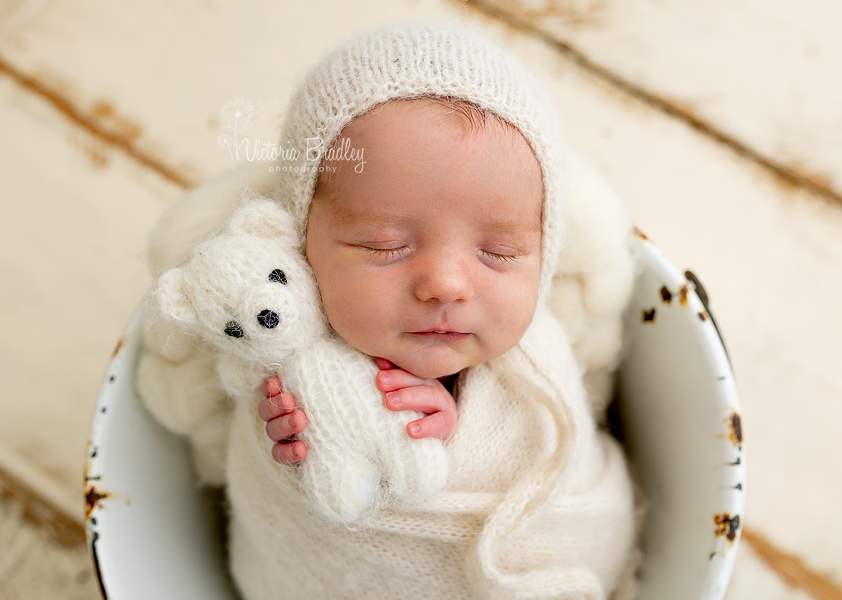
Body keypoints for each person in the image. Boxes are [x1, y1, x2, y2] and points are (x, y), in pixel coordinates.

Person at [138, 19, 641, 600]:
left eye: (500, 252)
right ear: (302, 240)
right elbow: (273, 471)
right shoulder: (275, 332)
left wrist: (455, 435)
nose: (446, 285)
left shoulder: (538, 356)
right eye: (384, 245)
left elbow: (552, 449)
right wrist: (288, 442)